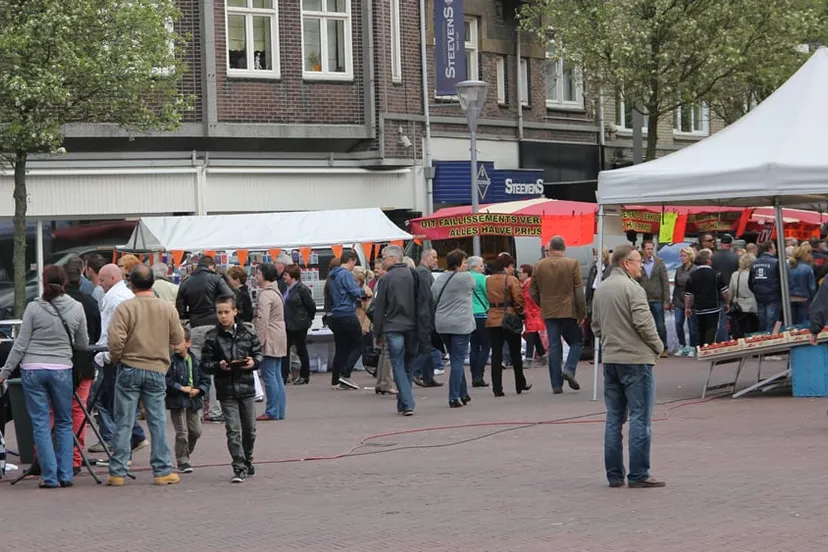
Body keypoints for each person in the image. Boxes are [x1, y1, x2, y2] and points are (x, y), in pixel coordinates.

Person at [0, 265, 89, 489]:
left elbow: (21, 344)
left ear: (43, 282)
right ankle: (65, 474)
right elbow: (82, 343)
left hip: (33, 368)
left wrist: (5, 372)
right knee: (64, 422)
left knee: (40, 423)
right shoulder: (76, 307)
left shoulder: (33, 308)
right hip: (61, 369)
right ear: (65, 282)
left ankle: (49, 476)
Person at [591, 245, 665, 489]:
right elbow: (644, 323)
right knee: (640, 418)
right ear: (626, 263)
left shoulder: (602, 288)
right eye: (637, 261)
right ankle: (639, 473)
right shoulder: (633, 289)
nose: (641, 265)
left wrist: (611, 339)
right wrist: (658, 346)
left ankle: (614, 474)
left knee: (614, 418)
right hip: (635, 360)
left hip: (612, 359)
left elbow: (595, 325)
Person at [106, 264, 184, 487]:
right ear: (153, 282)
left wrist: (118, 358)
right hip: (156, 368)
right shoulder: (167, 308)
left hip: (129, 367)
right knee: (157, 421)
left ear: (131, 284)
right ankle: (162, 470)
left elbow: (115, 340)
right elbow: (178, 340)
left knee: (124, 421)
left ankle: (118, 472)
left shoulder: (125, 308)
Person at [201, 296, 263, 482]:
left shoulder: (248, 333)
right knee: (233, 429)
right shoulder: (212, 336)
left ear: (235, 312)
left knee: (250, 429)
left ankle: (247, 458)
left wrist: (253, 362)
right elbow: (205, 364)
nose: (223, 316)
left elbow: (259, 354)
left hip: (246, 387)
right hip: (226, 388)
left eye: (226, 312)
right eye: (219, 312)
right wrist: (218, 365)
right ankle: (239, 465)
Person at [89, 263, 148, 455]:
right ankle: (132, 438)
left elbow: (110, 330)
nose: (100, 284)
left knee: (108, 400)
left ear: (112, 279)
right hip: (128, 355)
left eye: (103, 280)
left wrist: (105, 355)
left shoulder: (114, 298)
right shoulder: (126, 296)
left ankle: (123, 443)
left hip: (114, 356)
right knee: (117, 401)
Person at [176, 255, 234, 423]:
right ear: (212, 266)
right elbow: (230, 296)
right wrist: (219, 311)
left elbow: (179, 308)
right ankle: (216, 410)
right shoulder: (216, 279)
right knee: (217, 368)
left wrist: (191, 314)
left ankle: (197, 410)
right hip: (215, 326)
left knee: (195, 369)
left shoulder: (186, 282)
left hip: (195, 327)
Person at [371, 245, 423, 416]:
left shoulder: (385, 279)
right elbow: (422, 300)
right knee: (408, 364)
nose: (382, 261)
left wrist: (377, 332)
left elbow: (379, 308)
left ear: (393, 258)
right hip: (412, 326)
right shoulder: (413, 275)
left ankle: (407, 402)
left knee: (398, 364)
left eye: (384, 258)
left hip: (393, 326)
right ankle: (403, 402)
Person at [530, 236, 586, 394]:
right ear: (564, 248)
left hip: (549, 310)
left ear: (551, 249)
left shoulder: (539, 265)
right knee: (577, 341)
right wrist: (582, 311)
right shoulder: (572, 263)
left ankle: (556, 384)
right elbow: (578, 290)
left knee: (554, 345)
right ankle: (569, 368)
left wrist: (542, 303)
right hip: (568, 309)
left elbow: (532, 290)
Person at [63, 257, 102, 474]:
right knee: (79, 410)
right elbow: (95, 335)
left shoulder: (49, 303)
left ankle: (50, 456)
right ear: (81, 276)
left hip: (60, 363)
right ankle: (76, 457)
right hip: (84, 364)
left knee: (54, 410)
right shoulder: (90, 303)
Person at [432, 249, 475, 408]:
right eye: (465, 262)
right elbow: (473, 287)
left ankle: (463, 393)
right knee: (457, 361)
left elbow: (433, 296)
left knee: (455, 357)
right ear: (457, 264)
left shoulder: (439, 279)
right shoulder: (466, 277)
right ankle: (453, 396)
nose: (467, 265)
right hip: (461, 324)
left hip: (442, 324)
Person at [165, 327, 210, 474]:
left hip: (194, 400)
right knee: (182, 432)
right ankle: (182, 460)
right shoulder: (171, 361)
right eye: (173, 342)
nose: (175, 345)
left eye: (178, 342)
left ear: (188, 343)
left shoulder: (196, 360)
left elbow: (205, 379)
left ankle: (185, 452)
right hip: (177, 400)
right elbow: (167, 380)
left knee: (196, 431)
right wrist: (180, 388)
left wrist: (199, 390)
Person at [486, 253, 530, 397]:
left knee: (496, 354)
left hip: (492, 318)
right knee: (515, 352)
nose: (513, 269)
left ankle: (497, 388)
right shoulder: (511, 280)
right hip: (509, 318)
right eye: (512, 266)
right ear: (507, 266)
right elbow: (518, 299)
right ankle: (519, 383)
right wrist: (521, 313)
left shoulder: (489, 280)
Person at [325, 250, 365, 390]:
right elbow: (355, 291)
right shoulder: (346, 274)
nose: (354, 266)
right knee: (359, 345)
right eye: (354, 263)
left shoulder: (332, 275)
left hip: (336, 315)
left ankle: (335, 380)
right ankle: (345, 374)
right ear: (351, 260)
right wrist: (363, 292)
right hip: (347, 313)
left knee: (341, 349)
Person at [254, 264, 288, 421]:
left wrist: (258, 341)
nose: (256, 276)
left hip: (270, 335)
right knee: (277, 375)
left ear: (264, 275)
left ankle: (272, 410)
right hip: (279, 334)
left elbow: (262, 320)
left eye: (258, 273)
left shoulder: (266, 295)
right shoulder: (276, 292)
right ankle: (279, 410)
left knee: (269, 375)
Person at [685, 249, 729, 346]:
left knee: (701, 330)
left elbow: (688, 295)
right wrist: (727, 303)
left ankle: (701, 347)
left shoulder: (692, 276)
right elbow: (724, 291)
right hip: (713, 307)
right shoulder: (717, 274)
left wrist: (687, 307)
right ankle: (708, 347)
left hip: (699, 308)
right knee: (712, 329)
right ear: (708, 260)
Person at [413, 249, 443, 388]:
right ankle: (415, 371)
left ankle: (428, 377)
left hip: (424, 314)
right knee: (427, 347)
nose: (436, 260)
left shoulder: (421, 272)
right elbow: (427, 297)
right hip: (425, 315)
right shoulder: (423, 273)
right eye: (433, 257)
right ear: (425, 258)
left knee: (429, 346)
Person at [283, 264, 316, 386]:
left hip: (299, 324)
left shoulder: (301, 289)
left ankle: (304, 375)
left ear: (293, 276)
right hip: (289, 324)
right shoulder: (288, 289)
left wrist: (307, 319)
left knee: (301, 349)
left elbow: (311, 306)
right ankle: (284, 375)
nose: (284, 277)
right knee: (285, 350)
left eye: (286, 275)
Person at [636, 240, 670, 355]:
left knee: (660, 325)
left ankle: (664, 348)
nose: (650, 251)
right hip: (643, 299)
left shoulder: (659, 263)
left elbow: (665, 282)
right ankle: (648, 348)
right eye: (648, 249)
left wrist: (666, 300)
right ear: (643, 249)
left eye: (651, 249)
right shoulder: (638, 263)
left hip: (657, 299)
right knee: (644, 325)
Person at [748, 241, 782, 332]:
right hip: (773, 297)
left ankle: (763, 337)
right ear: (770, 249)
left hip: (759, 297)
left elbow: (750, 282)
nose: (775, 249)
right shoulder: (776, 263)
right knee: (771, 322)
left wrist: (757, 292)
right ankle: (771, 339)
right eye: (774, 247)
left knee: (762, 322)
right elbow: (781, 281)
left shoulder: (754, 263)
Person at [468, 256, 490, 388]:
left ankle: (473, 376)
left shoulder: (465, 277)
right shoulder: (481, 278)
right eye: (481, 265)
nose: (483, 268)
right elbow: (488, 294)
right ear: (474, 266)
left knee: (474, 347)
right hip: (482, 313)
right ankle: (479, 376)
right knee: (486, 346)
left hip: (469, 315)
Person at [672, 247, 698, 356]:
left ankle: (692, 347)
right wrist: (673, 300)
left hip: (691, 300)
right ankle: (682, 345)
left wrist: (693, 302)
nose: (682, 258)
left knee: (692, 326)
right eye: (681, 256)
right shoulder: (679, 269)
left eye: (684, 256)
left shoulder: (695, 269)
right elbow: (676, 285)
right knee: (678, 323)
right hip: (679, 299)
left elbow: (697, 287)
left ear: (690, 257)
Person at [518, 264, 545, 367]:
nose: (519, 275)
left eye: (521, 273)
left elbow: (530, 300)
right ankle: (543, 355)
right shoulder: (525, 284)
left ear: (527, 274)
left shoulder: (529, 285)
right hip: (531, 313)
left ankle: (529, 358)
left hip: (533, 313)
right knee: (534, 335)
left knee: (530, 334)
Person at [728, 253, 759, 338]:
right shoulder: (755, 274)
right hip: (754, 306)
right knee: (754, 331)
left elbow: (731, 292)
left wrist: (728, 302)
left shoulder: (735, 275)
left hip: (740, 306)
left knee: (740, 331)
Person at [788, 246, 817, 325]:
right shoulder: (807, 268)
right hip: (803, 298)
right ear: (803, 255)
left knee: (792, 324)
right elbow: (812, 287)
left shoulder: (787, 267)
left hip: (790, 298)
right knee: (803, 324)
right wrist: (813, 298)